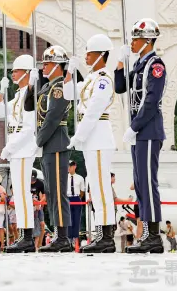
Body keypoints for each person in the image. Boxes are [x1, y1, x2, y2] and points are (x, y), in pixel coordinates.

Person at [112, 19, 166, 254]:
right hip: (139, 132)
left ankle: (154, 235)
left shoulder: (155, 65)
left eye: (135, 38)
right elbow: (121, 88)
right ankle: (146, 233)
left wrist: (134, 126)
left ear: (147, 40)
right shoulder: (138, 64)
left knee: (148, 182)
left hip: (148, 130)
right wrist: (120, 66)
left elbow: (152, 101)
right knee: (140, 184)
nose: (132, 43)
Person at [65, 34, 116, 253]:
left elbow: (94, 111)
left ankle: (107, 236)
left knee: (101, 187)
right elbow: (68, 93)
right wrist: (69, 70)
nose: (86, 56)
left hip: (98, 137)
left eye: (90, 53)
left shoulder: (103, 80)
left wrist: (80, 135)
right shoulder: (89, 80)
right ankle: (101, 232)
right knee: (94, 187)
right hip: (91, 139)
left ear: (101, 55)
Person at [0, 55, 40, 253]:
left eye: (16, 71)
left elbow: (28, 127)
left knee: (23, 193)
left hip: (23, 148)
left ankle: (27, 236)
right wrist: (1, 91)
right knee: (19, 193)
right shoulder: (17, 96)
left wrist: (10, 147)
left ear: (25, 73)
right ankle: (24, 236)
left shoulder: (29, 94)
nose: (12, 73)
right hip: (17, 148)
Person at [35, 46, 72, 252]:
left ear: (57, 66)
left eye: (47, 64)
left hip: (56, 141)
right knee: (51, 191)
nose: (43, 67)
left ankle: (63, 237)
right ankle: (59, 235)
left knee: (58, 191)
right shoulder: (48, 86)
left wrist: (38, 141)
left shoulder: (59, 87)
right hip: (49, 143)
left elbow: (52, 118)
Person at [30, 171, 46, 250]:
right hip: (28, 206)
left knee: (42, 224)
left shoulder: (40, 183)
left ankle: (39, 245)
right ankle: (30, 243)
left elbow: (44, 195)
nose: (32, 180)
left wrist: (40, 202)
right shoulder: (25, 182)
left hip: (37, 206)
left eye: (33, 179)